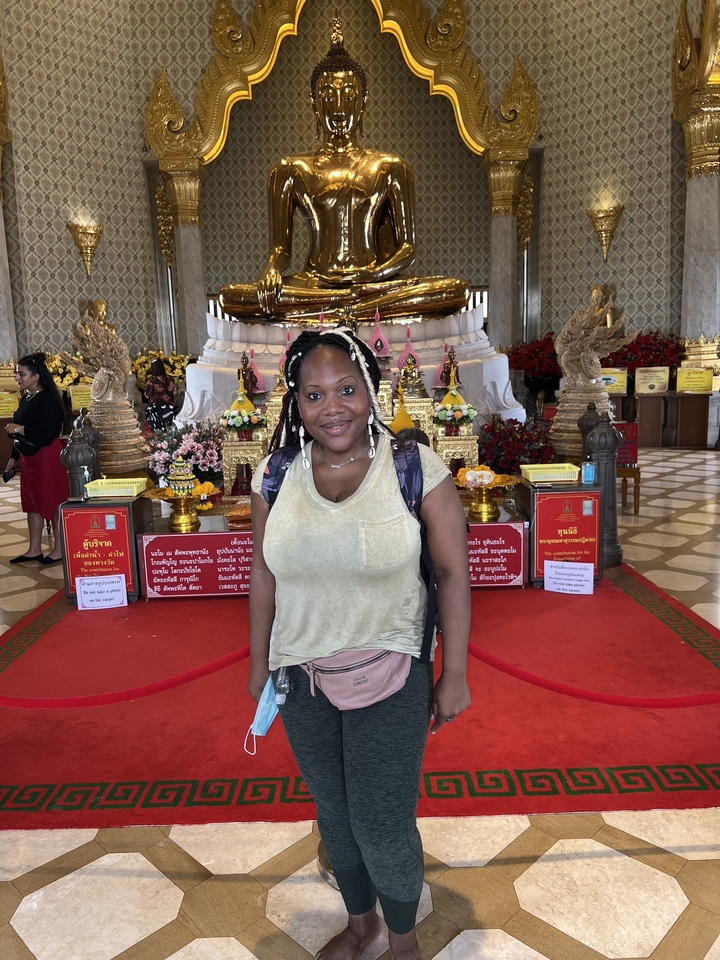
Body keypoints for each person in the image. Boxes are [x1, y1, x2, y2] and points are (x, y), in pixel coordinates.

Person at [249, 328, 471, 960]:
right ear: (296, 401)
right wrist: (259, 663)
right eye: (314, 394)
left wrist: (452, 672)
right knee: (336, 816)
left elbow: (453, 573)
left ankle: (403, 941)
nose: (333, 406)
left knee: (380, 818)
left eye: (347, 389)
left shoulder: (412, 467)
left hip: (392, 670)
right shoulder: (276, 474)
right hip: (300, 677)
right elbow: (262, 574)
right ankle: (361, 923)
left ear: (370, 391)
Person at [220, 21, 468, 324]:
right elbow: (280, 250)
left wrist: (371, 274)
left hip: (373, 283)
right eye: (327, 96)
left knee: (455, 291)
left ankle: (340, 309)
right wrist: (271, 271)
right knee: (231, 296)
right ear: (314, 105)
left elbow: (407, 248)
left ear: (363, 104)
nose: (338, 107)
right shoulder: (290, 169)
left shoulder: (390, 166)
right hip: (315, 284)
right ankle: (348, 309)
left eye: (349, 95)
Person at [3, 353, 69, 565]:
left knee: (51, 502)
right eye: (17, 374)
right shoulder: (27, 398)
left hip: (47, 457)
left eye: (22, 374)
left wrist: (19, 429)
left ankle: (59, 549)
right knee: (31, 503)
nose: (18, 378)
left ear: (37, 376)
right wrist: (13, 458)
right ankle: (34, 549)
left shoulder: (48, 399)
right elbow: (18, 431)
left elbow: (47, 433)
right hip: (28, 457)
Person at [143, 358, 176, 431]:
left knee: (157, 432)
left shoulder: (152, 381)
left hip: (156, 408)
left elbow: (147, 395)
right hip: (168, 407)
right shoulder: (171, 379)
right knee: (168, 429)